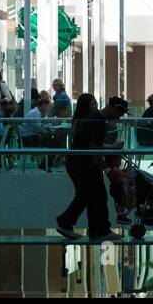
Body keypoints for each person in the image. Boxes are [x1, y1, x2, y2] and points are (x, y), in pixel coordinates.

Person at [56, 93, 124, 243]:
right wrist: (106, 169)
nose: (119, 118)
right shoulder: (98, 122)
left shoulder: (94, 120)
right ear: (113, 109)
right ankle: (98, 230)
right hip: (84, 164)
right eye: (119, 113)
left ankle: (69, 223)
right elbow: (94, 149)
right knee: (98, 195)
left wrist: (111, 148)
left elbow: (91, 145)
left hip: (76, 163)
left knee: (86, 195)